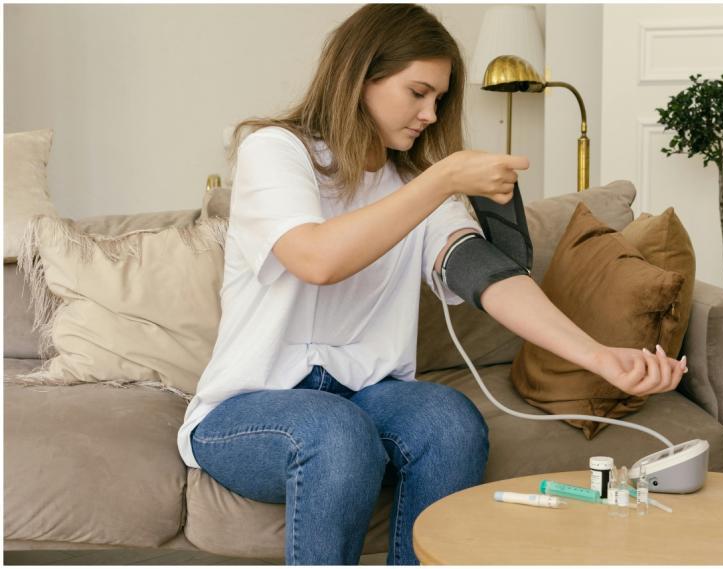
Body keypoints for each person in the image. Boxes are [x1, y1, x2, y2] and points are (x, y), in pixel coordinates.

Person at [177, 4, 687, 565]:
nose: (429, 114)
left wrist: (598, 356)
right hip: (249, 408)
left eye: (439, 99)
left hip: (365, 395)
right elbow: (316, 259)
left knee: (449, 422)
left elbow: (484, 274)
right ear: (360, 76)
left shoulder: (416, 184)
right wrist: (442, 178)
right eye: (417, 92)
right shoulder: (276, 150)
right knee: (335, 431)